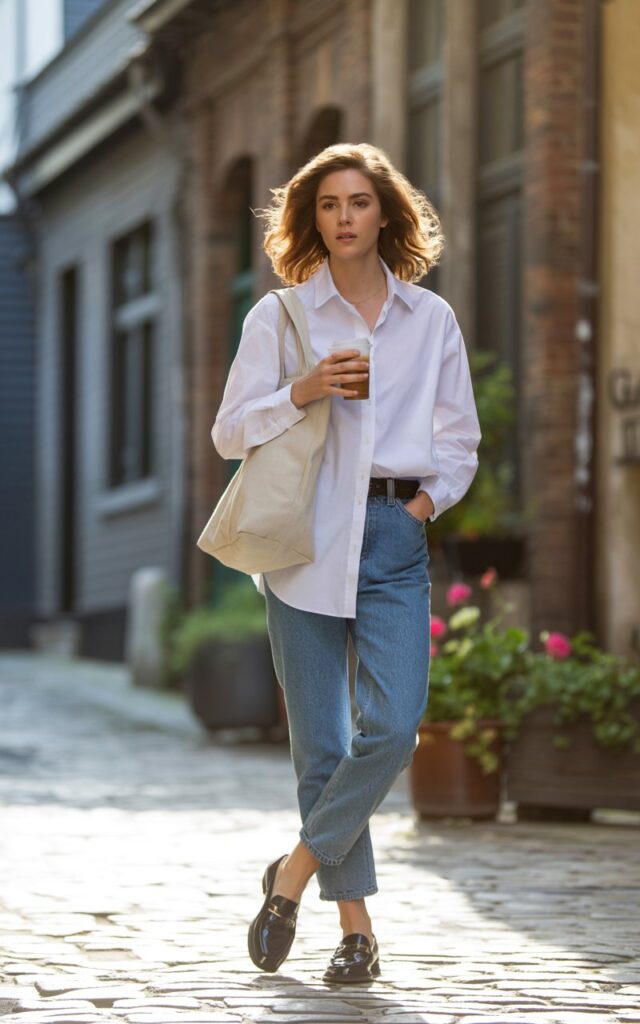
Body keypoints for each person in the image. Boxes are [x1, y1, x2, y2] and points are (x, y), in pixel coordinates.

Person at [211, 142, 481, 983]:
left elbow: (458, 441)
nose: (344, 218)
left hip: (395, 533)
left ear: (385, 213)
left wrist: (421, 510)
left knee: (394, 726)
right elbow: (228, 433)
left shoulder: (429, 320)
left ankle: (290, 875)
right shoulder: (281, 318)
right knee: (321, 745)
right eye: (328, 204)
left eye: (359, 202)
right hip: (303, 543)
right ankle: (356, 934)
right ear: (311, 219)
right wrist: (305, 388)